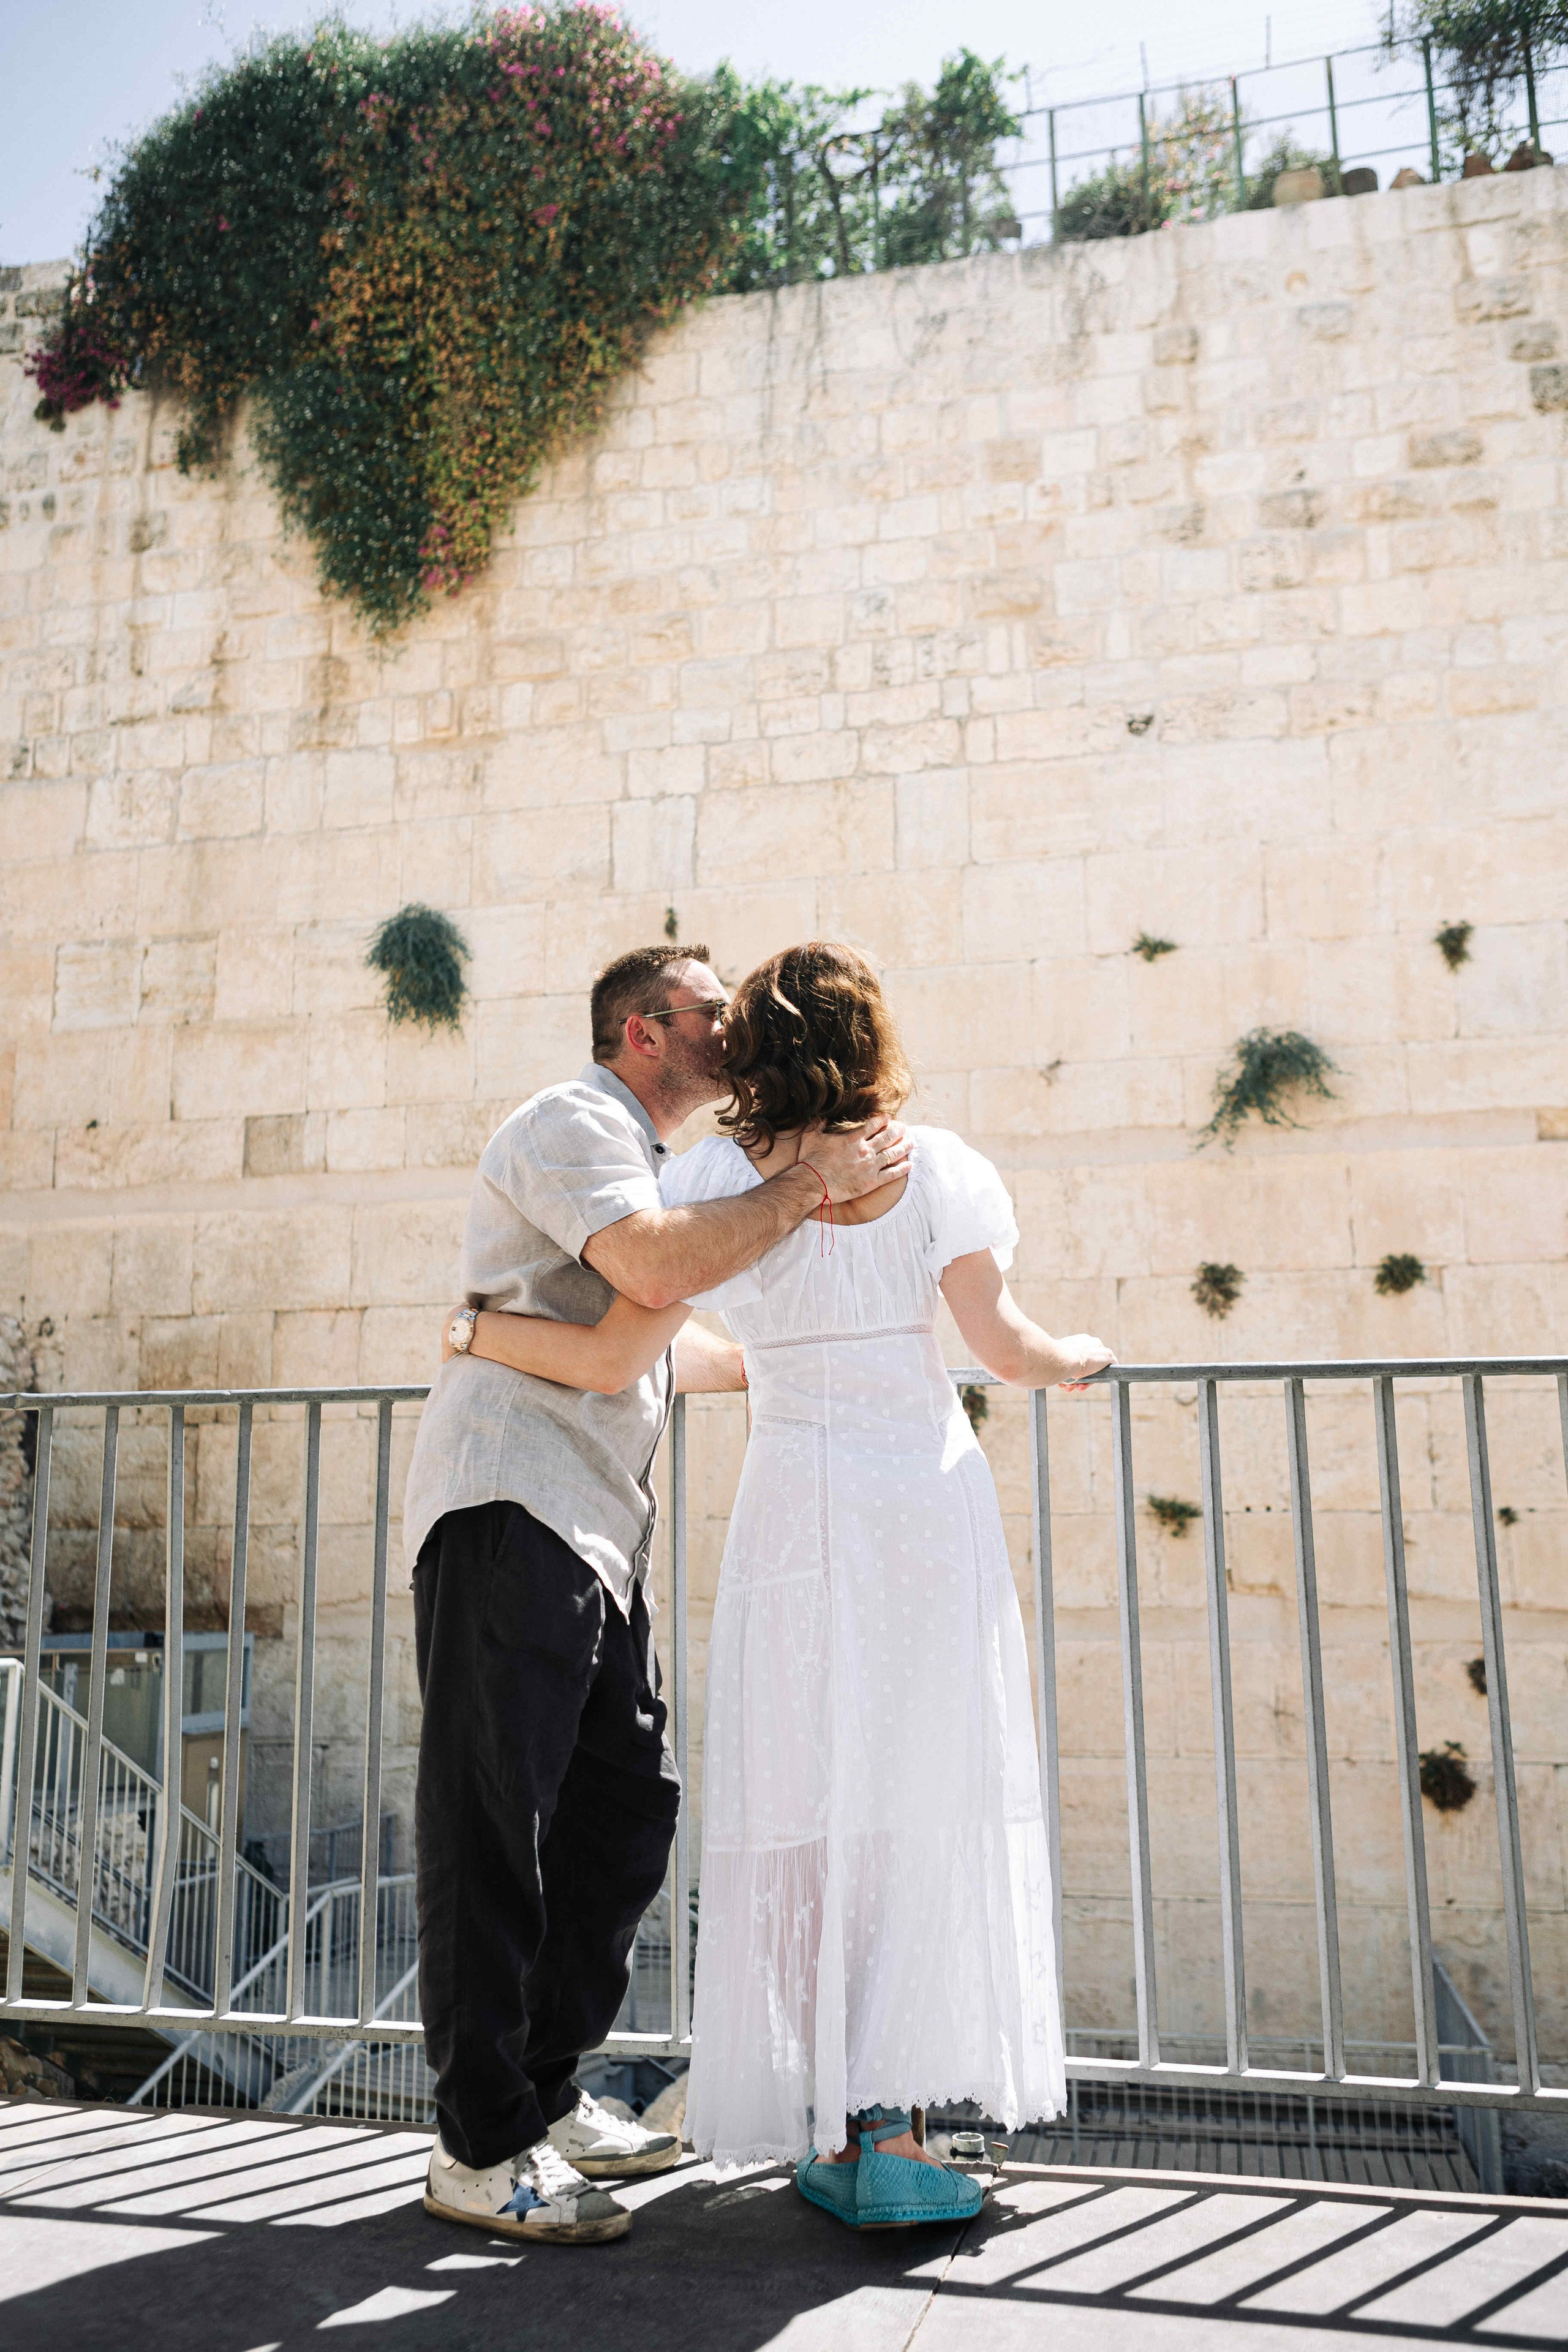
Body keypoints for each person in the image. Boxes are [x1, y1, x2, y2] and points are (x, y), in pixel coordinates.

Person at [439, 940, 1115, 2232]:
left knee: (806, 1809)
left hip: (796, 1514)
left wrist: (480, 1331)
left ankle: (827, 2121)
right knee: (919, 1797)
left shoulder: (706, 1179)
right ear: (873, 1041)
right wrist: (1079, 1353)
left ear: (752, 1043)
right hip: (921, 1510)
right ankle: (896, 2136)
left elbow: (635, 1350)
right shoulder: (939, 1166)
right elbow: (1006, 1348)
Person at [403, 940, 911, 2247]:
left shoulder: (636, 1153)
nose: (734, 1029)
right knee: (490, 1826)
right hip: (510, 1506)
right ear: (644, 1029)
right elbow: (652, 1270)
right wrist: (808, 1181)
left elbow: (653, 1342)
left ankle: (544, 2089)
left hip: (592, 1535)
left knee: (628, 1809)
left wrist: (848, 1358)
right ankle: (480, 2146)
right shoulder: (573, 1121)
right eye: (711, 1011)